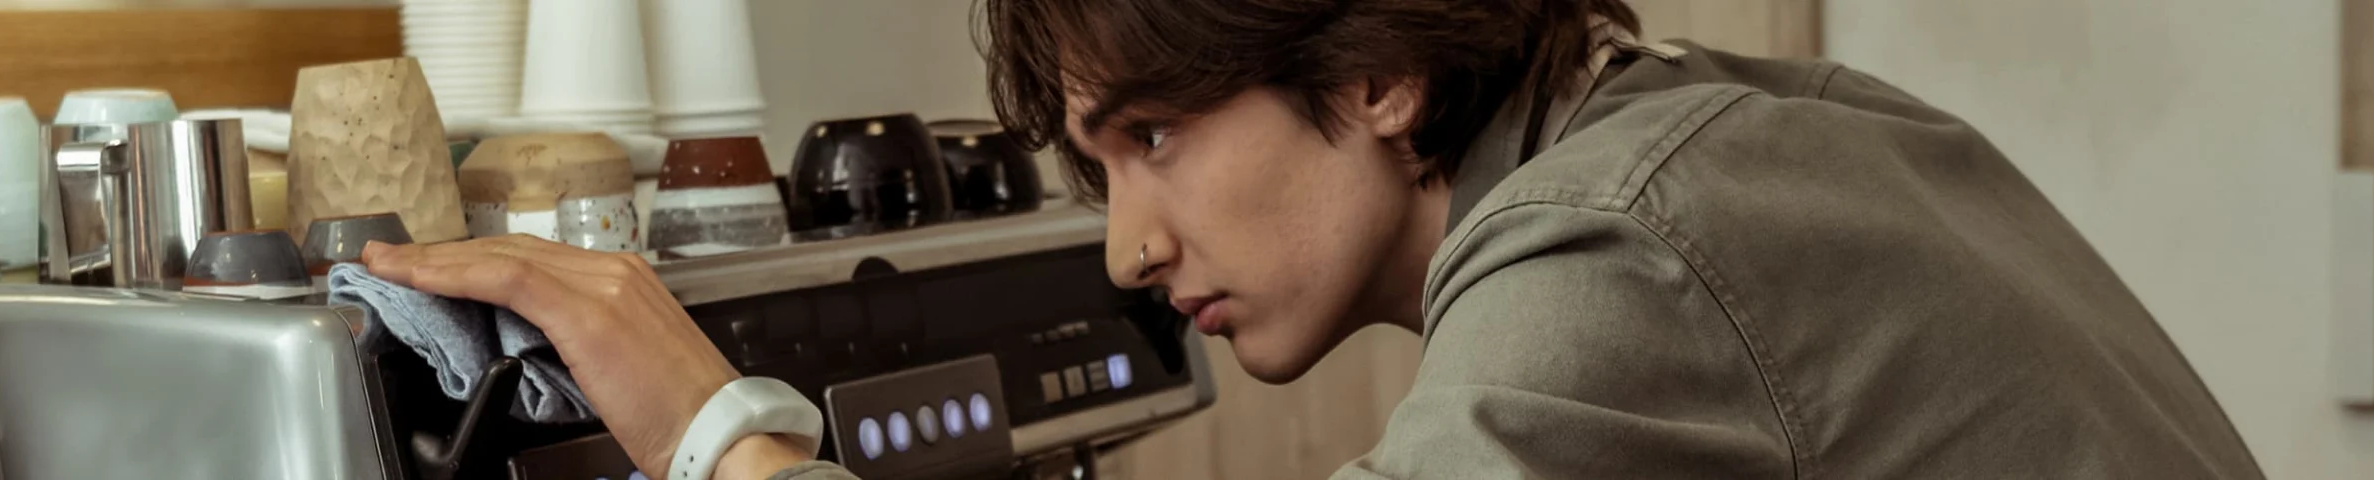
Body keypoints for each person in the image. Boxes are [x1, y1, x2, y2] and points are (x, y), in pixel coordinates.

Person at [357, 0, 2268, 477]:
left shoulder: (1622, 247)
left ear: (1372, 75)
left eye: (1159, 137)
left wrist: (724, 435)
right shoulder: (1767, 130)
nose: (1125, 247)